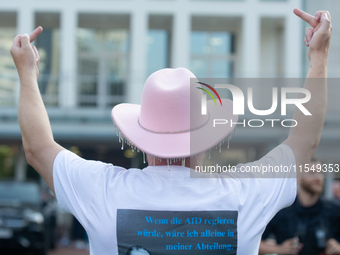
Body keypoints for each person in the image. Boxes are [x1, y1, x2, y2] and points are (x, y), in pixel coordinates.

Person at [9, 8, 331, 255]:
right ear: (205, 141)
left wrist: (27, 73)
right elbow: (304, 142)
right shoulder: (243, 194)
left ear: (143, 140)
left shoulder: (104, 190)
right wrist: (319, 57)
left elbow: (37, 148)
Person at [259, 158, 340, 255]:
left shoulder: (334, 210)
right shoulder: (282, 210)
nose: (318, 177)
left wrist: (338, 248)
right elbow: (255, 242)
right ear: (299, 178)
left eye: (320, 172)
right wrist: (279, 249)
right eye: (311, 172)